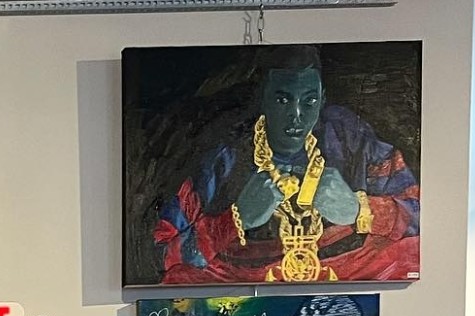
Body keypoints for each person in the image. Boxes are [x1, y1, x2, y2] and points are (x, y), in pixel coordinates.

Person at [154, 44, 420, 285]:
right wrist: (234, 219)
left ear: (323, 99)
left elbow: (418, 214)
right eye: (283, 100)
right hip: (250, 283)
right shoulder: (225, 157)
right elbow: (162, 252)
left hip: (348, 275)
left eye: (309, 101)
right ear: (264, 100)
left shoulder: (350, 137)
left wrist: (359, 210)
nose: (296, 117)